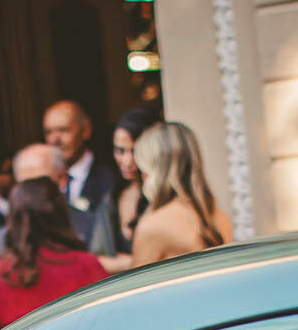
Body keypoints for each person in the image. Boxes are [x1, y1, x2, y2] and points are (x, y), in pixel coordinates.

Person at [0, 176, 108, 330]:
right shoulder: (87, 265)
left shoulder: (0, 273)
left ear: (13, 219)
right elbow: (110, 329)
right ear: (61, 213)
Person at [131, 121, 233, 266]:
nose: (142, 176)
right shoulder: (220, 219)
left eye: (143, 169)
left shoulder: (152, 227)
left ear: (154, 170)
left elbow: (137, 286)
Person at [5, 143, 100, 255]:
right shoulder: (4, 239)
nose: (32, 195)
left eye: (40, 186)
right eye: (26, 187)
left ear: (62, 179)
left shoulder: (92, 227)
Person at [95, 106, 158, 257]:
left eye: (135, 151)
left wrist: (125, 264)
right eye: (120, 151)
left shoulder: (161, 197)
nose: (127, 161)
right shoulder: (113, 198)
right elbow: (97, 257)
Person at [44, 99, 116, 211]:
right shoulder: (44, 181)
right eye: (48, 132)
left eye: (63, 130)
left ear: (85, 130)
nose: (54, 140)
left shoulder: (111, 178)